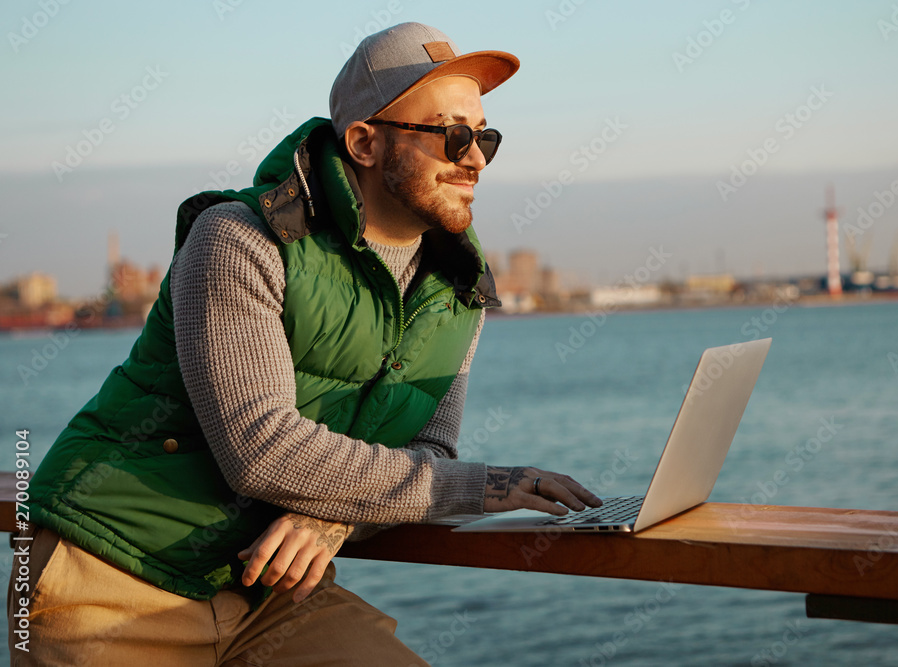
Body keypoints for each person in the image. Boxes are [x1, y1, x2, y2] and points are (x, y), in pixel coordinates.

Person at [10, 22, 601, 666]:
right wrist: (490, 487)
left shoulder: (458, 286)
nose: (476, 159)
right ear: (365, 142)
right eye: (452, 135)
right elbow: (261, 451)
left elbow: (427, 448)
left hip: (268, 591)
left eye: (484, 136)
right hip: (109, 575)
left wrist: (331, 517)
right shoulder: (241, 239)